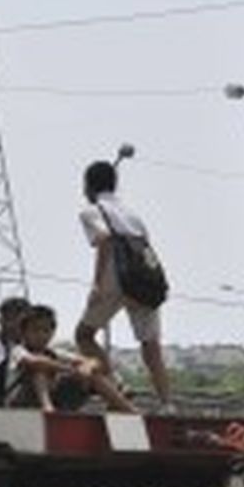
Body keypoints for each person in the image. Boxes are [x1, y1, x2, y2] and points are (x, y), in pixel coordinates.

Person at [75, 160, 172, 409]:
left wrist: (96, 284)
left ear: (88, 186)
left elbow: (104, 238)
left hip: (114, 279)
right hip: (144, 281)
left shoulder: (90, 211)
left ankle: (116, 383)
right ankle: (167, 404)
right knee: (151, 346)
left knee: (84, 335)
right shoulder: (132, 214)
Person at [6, 304, 137, 413]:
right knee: (40, 369)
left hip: (57, 399)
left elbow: (93, 362)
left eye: (45, 331)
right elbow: (33, 362)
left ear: (52, 333)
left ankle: (128, 409)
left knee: (92, 374)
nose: (41, 335)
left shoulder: (55, 352)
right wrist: (69, 369)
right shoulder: (18, 350)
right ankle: (47, 408)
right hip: (23, 402)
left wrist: (86, 368)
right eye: (35, 330)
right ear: (24, 333)